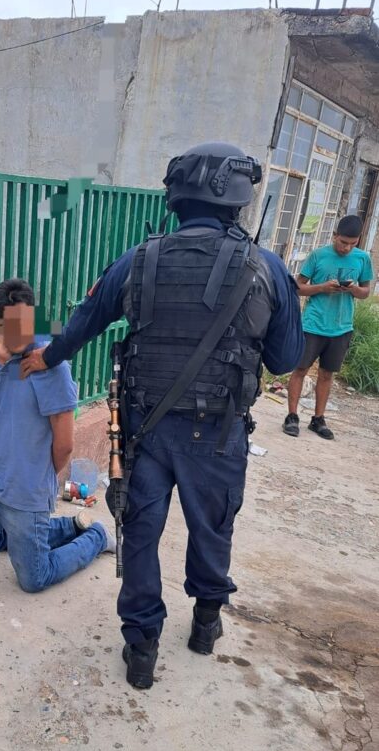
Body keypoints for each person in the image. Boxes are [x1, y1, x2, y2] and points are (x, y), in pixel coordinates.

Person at [20, 142, 304, 689]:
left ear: (175, 198)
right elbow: (286, 359)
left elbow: (84, 323)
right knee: (211, 529)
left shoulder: (138, 259)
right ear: (240, 202)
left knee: (140, 535)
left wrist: (44, 357)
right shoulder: (266, 268)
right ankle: (205, 624)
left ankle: (142, 648)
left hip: (143, 433)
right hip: (219, 435)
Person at [0, 278, 115, 593]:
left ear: (31, 319)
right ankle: (68, 526)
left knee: (34, 579)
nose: (12, 333)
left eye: (21, 324)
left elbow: (64, 446)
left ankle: (97, 537)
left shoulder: (51, 366)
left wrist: (35, 477)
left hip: (24, 490)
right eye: (4, 326)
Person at [283, 214, 373, 440]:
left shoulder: (362, 259)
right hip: (313, 325)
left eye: (352, 244)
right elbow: (297, 287)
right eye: (343, 242)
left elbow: (365, 292)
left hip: (341, 326)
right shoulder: (318, 255)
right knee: (300, 370)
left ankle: (318, 419)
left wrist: (353, 289)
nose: (346, 248)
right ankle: (292, 416)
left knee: (326, 374)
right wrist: (322, 287)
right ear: (334, 236)